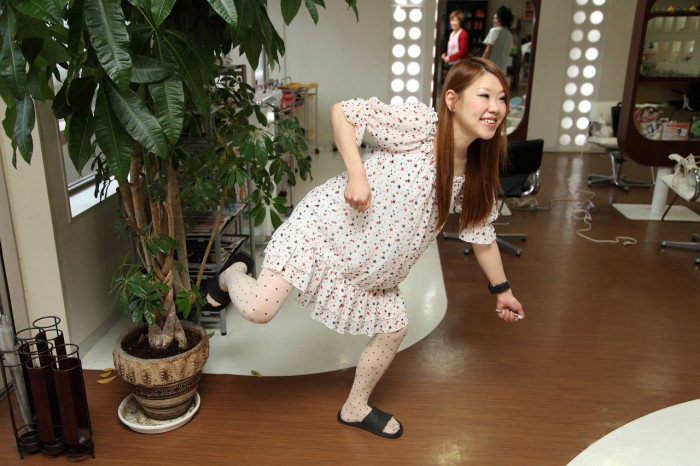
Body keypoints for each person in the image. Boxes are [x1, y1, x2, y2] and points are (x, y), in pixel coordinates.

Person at [206, 57, 525, 439]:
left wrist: (502, 291)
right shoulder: (423, 127)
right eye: (485, 96)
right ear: (452, 100)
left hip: (371, 270)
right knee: (259, 310)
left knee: (394, 330)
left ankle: (355, 407)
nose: (495, 107)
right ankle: (231, 273)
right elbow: (343, 113)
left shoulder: (476, 173)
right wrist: (357, 175)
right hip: (323, 232)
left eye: (502, 98)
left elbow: (482, 235)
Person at [482, 6, 514, 73]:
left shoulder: (494, 31)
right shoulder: (509, 35)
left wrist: (481, 63)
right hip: (502, 70)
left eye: (496, 18)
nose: (493, 21)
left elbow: (488, 51)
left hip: (491, 68)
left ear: (502, 19)